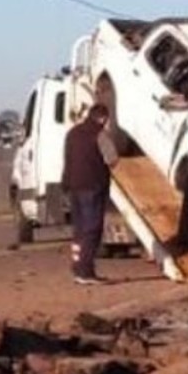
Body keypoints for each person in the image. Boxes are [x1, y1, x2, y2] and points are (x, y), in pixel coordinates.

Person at [61, 104, 117, 285]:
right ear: (102, 118)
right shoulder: (100, 134)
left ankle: (78, 267)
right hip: (93, 186)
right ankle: (86, 271)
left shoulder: (72, 133)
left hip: (74, 186)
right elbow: (112, 159)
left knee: (79, 229)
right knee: (92, 229)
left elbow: (67, 159)